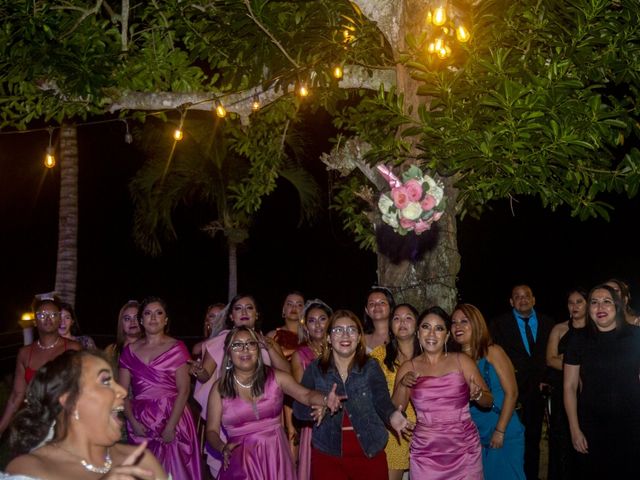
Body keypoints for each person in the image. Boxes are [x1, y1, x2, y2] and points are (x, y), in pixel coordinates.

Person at [4, 349, 167, 480]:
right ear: (70, 402)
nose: (123, 391)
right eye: (105, 381)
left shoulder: (142, 461)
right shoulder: (31, 470)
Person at [206, 326, 343, 479]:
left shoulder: (276, 377)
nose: (245, 349)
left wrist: (326, 399)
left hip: (275, 457)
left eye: (251, 343)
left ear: (258, 349)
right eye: (237, 345)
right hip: (240, 463)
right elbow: (211, 431)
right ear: (229, 353)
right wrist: (222, 447)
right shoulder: (220, 389)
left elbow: (306, 394)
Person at [293, 310, 412, 480]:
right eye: (338, 330)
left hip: (369, 452)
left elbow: (381, 400)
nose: (345, 335)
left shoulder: (371, 366)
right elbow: (298, 408)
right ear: (328, 338)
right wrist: (318, 406)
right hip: (327, 455)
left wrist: (392, 415)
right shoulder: (316, 368)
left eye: (351, 329)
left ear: (358, 337)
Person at [189, 294, 289, 478]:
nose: (244, 312)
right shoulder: (220, 342)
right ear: (230, 316)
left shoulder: (267, 341)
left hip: (264, 416)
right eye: (238, 308)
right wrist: (198, 371)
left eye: (249, 308)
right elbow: (205, 375)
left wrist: (269, 348)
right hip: (231, 416)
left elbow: (286, 373)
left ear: (257, 314)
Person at [393, 306, 493, 479]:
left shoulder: (462, 361)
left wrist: (478, 395)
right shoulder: (409, 367)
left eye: (439, 328)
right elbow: (394, 409)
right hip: (426, 452)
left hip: (464, 449)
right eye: (426, 327)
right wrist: (403, 385)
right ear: (418, 333)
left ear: (447, 336)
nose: (431, 334)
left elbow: (488, 401)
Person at [118, 296, 201, 480]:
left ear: (166, 320)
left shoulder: (178, 347)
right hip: (140, 421)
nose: (153, 318)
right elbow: (121, 392)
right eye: (148, 313)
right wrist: (132, 421)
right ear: (141, 320)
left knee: (174, 472)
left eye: (158, 313)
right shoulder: (129, 351)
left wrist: (171, 426)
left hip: (173, 417)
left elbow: (184, 390)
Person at [563, 284, 640, 478]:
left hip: (631, 423)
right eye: (594, 303)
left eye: (607, 302)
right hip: (591, 426)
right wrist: (574, 429)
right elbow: (569, 387)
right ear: (589, 309)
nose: (600, 307)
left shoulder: (635, 336)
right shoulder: (577, 340)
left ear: (617, 306)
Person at [451, 303, 525, 479]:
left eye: (464, 321)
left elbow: (512, 393)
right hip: (473, 438)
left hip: (503, 430)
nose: (457, 326)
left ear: (476, 324)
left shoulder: (492, 351)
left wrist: (500, 431)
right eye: (453, 322)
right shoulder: (453, 361)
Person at [490, 284, 554, 480]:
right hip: (510, 393)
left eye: (526, 295)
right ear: (511, 302)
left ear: (533, 299)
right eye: (517, 296)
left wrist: (548, 380)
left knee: (534, 442)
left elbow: (555, 356)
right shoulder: (498, 324)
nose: (523, 299)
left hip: (539, 392)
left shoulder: (549, 323)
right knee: (511, 440)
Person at [0, 296, 81, 437]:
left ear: (59, 319)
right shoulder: (25, 353)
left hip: (66, 424)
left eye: (53, 314)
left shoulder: (73, 348)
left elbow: (83, 388)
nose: (48, 318)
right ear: (35, 321)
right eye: (42, 314)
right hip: (34, 425)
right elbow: (16, 396)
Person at [369, 303, 419, 480]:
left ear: (417, 325)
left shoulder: (429, 354)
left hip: (426, 433)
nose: (402, 322)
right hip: (393, 433)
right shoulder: (378, 356)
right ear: (391, 326)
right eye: (396, 318)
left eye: (408, 318)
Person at [545, 288, 587, 480]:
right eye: (571, 302)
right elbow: (550, 359)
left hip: (587, 391)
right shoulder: (559, 328)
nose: (575, 306)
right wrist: (574, 363)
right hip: (562, 391)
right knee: (561, 440)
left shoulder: (595, 330)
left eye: (579, 301)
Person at [291, 299, 333, 480]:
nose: (317, 324)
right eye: (312, 320)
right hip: (315, 421)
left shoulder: (341, 349)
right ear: (305, 326)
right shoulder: (299, 356)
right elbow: (301, 395)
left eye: (322, 319)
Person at [105, 300, 143, 369]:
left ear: (143, 321)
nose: (132, 322)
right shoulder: (112, 350)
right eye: (127, 318)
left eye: (136, 317)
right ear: (121, 324)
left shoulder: (153, 348)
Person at [267, 291, 305, 359]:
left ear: (304, 310)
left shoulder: (310, 336)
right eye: (290, 304)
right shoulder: (273, 336)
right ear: (283, 310)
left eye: (299, 305)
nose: (294, 307)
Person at [363, 287, 395, 352]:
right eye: (371, 303)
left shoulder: (400, 336)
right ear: (366, 310)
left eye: (382, 302)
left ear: (391, 307)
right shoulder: (360, 340)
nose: (377, 306)